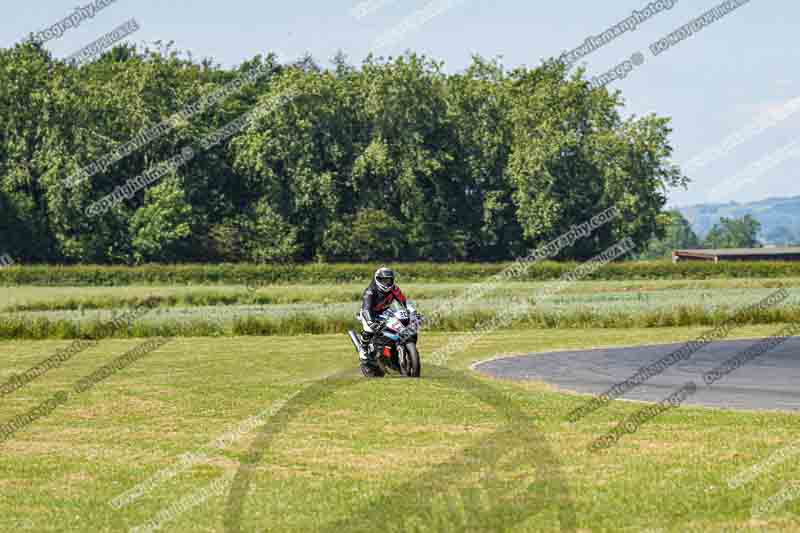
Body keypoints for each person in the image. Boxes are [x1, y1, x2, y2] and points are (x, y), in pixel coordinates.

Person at [357, 267, 408, 377]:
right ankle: (363, 349)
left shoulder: (394, 289)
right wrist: (371, 322)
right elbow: (366, 308)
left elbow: (404, 301)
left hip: (385, 313)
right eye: (384, 280)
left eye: (389, 280)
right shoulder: (370, 291)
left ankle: (390, 352)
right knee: (369, 330)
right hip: (369, 314)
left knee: (396, 329)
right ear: (378, 279)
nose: (387, 282)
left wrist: (412, 313)